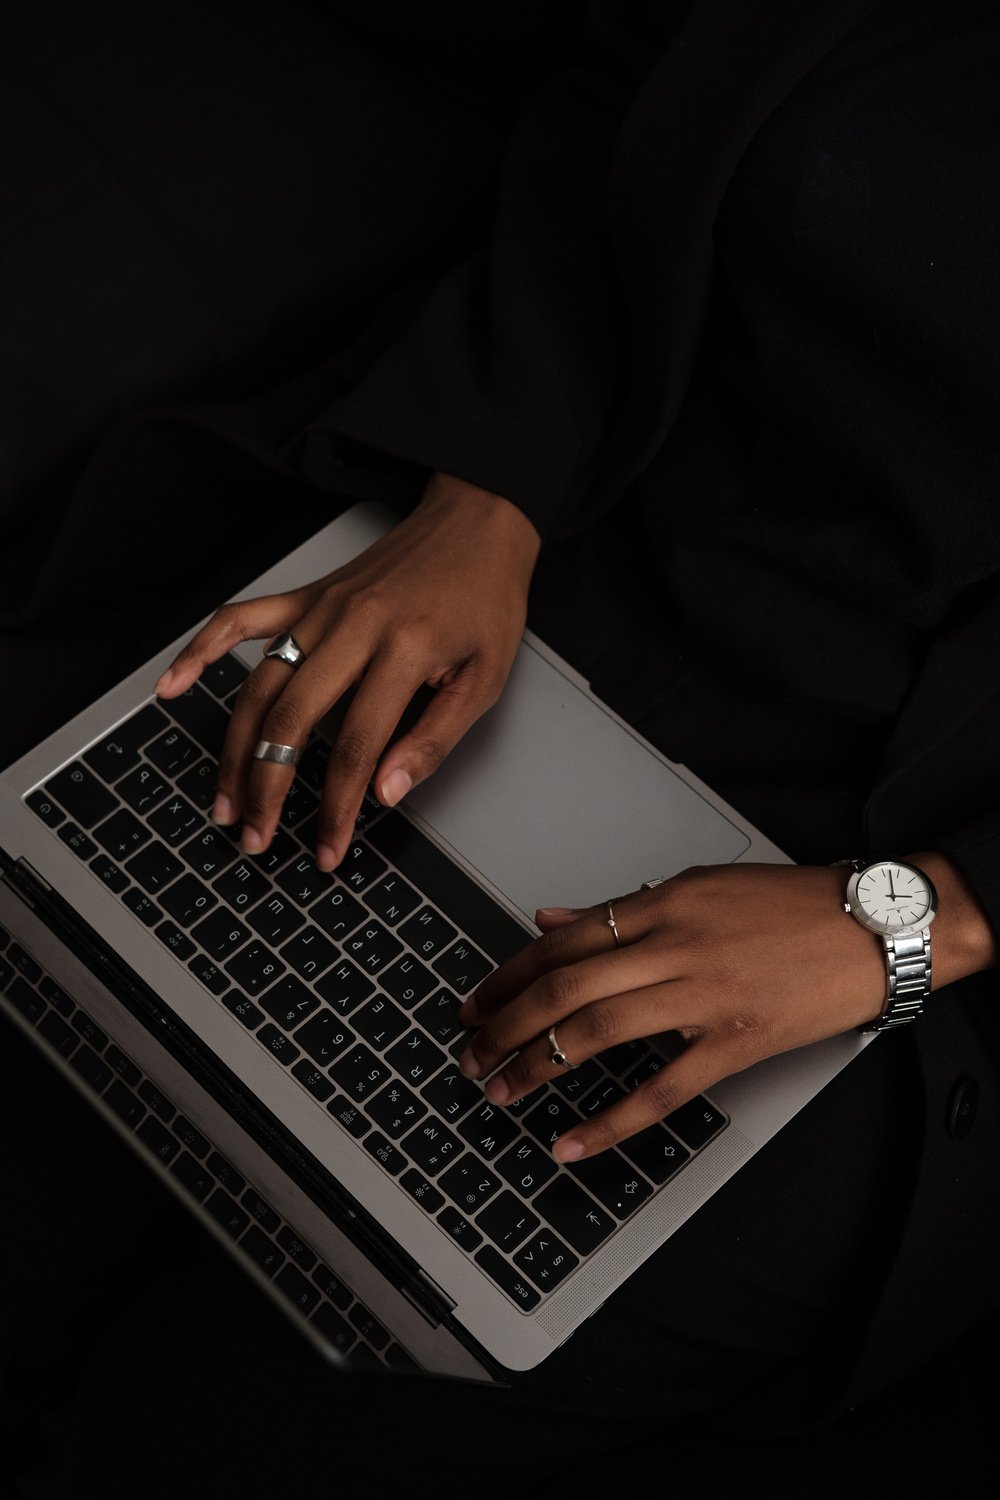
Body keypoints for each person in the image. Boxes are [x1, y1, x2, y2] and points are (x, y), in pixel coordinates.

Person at [2, 1, 999, 1493]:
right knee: (99, 968)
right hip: (573, 559)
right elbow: (627, 105)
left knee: (240, 1410)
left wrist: (913, 921)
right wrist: (488, 498)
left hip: (898, 862)